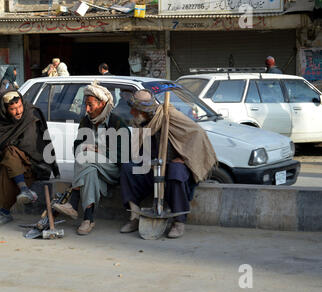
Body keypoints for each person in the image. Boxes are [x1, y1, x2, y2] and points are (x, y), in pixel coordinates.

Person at [119, 89, 218, 238]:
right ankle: (135, 216)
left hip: (173, 163)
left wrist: (184, 158)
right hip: (152, 164)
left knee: (176, 171)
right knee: (128, 168)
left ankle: (179, 221)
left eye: (134, 109)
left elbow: (197, 134)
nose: (131, 112)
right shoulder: (140, 122)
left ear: (143, 110)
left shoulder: (169, 115)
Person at [52, 82, 130, 235]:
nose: (87, 109)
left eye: (90, 105)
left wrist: (97, 150)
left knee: (85, 154)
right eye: (85, 105)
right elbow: (76, 147)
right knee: (90, 171)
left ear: (102, 104)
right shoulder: (86, 121)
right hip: (91, 167)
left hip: (112, 169)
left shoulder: (117, 123)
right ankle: (88, 220)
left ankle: (73, 202)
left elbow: (123, 156)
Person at [0, 90, 60, 227]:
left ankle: (4, 212)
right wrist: (12, 147)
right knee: (10, 159)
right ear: (6, 110)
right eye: (13, 109)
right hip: (16, 162)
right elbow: (0, 142)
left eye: (19, 106)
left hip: (35, 162)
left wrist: (13, 145)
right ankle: (24, 190)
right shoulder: (2, 119)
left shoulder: (31, 113)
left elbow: (32, 142)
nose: (18, 111)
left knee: (10, 157)